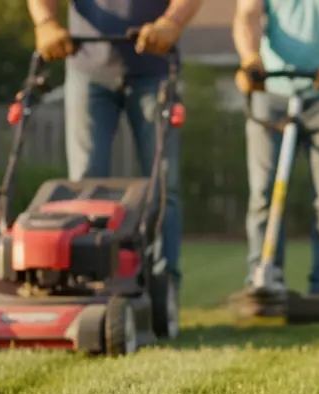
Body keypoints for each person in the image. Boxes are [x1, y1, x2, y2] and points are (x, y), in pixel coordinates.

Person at [25, 0, 203, 285]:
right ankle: (86, 278)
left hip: (154, 69)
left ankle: (163, 286)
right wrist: (45, 22)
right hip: (87, 69)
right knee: (85, 185)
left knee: (162, 185)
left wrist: (172, 21)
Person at [232, 0, 319, 317]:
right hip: (270, 91)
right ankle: (264, 278)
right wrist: (250, 58)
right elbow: (248, 14)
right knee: (263, 193)